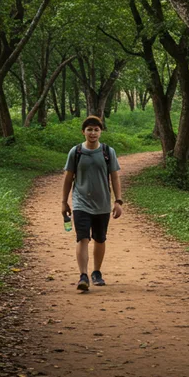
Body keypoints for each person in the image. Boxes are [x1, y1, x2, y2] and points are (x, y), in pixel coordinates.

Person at [61, 115, 123, 292]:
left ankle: (96, 272)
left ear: (101, 132)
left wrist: (118, 201)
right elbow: (68, 178)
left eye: (96, 129)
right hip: (81, 202)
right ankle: (83, 275)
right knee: (82, 237)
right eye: (89, 129)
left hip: (103, 203)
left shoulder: (107, 151)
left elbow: (115, 177)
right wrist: (64, 202)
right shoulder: (76, 152)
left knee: (100, 238)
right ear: (83, 132)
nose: (93, 133)